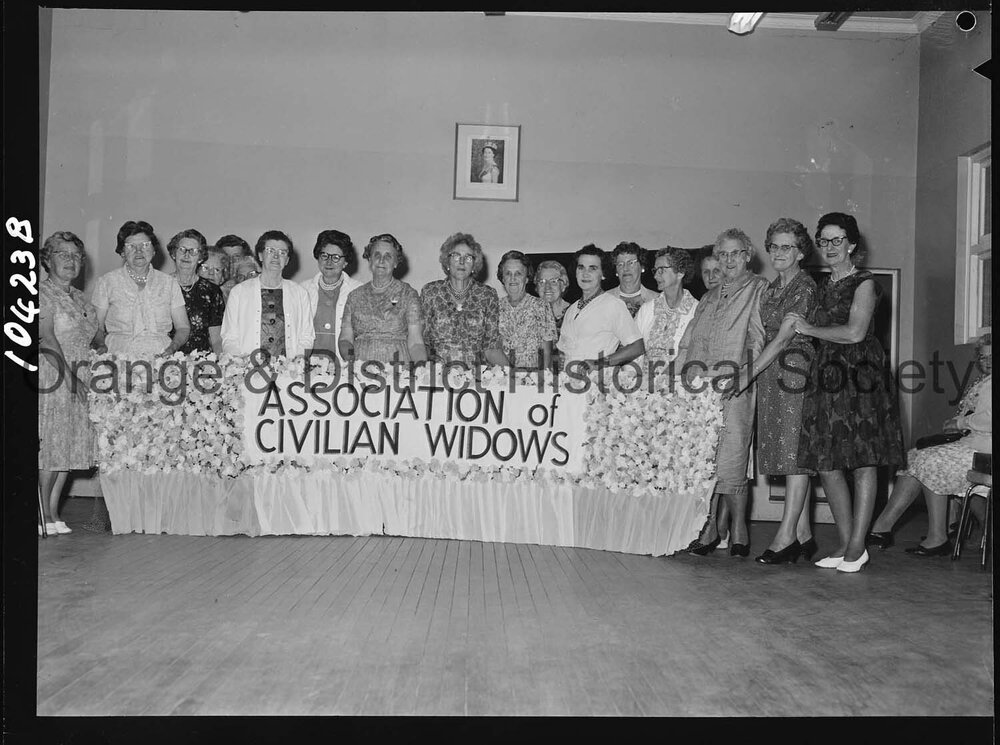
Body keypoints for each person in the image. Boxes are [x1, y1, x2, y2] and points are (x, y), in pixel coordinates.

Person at [791, 212, 905, 573]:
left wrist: (808, 328)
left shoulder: (865, 283)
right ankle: (844, 543)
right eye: (823, 241)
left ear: (852, 244)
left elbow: (855, 333)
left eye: (837, 240)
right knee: (827, 462)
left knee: (863, 461)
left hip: (860, 378)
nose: (830, 247)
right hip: (826, 378)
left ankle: (857, 547)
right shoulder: (822, 286)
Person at [728, 218, 819, 564]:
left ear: (800, 252)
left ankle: (785, 537)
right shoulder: (771, 288)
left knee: (795, 456)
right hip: (771, 374)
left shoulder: (804, 286)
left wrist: (748, 374)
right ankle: (803, 533)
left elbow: (783, 338)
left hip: (794, 371)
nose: (779, 253)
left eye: (787, 247)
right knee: (784, 450)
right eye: (775, 246)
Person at [675, 228, 767, 557]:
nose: (728, 260)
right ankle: (711, 527)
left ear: (747, 255)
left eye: (734, 253)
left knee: (732, 458)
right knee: (704, 461)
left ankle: (739, 527)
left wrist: (743, 375)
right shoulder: (709, 297)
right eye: (723, 254)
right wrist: (679, 378)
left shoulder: (758, 288)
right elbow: (688, 343)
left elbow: (758, 338)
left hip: (735, 385)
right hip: (699, 390)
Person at [868, 334, 991, 555]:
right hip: (974, 444)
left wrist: (960, 422)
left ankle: (937, 537)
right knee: (914, 455)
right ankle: (882, 526)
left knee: (929, 460)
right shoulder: (983, 382)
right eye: (983, 357)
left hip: (985, 451)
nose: (988, 361)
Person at [38, 231, 100, 535]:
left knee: (65, 450)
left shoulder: (80, 297)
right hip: (53, 376)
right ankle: (39, 513)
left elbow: (93, 340)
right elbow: (46, 340)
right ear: (47, 259)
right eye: (63, 254)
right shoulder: (40, 293)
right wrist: (70, 377)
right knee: (49, 447)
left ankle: (52, 511)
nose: (70, 261)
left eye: (76, 256)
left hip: (80, 377)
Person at [92, 220, 190, 358]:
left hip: (161, 356)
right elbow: (97, 327)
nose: (138, 251)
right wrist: (101, 345)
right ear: (122, 252)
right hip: (118, 355)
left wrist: (173, 347)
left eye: (145, 245)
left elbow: (183, 327)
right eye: (131, 246)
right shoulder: (106, 282)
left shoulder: (169, 283)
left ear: (154, 250)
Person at [221, 230, 314, 359]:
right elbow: (229, 336)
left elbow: (307, 335)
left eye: (282, 252)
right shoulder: (239, 292)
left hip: (289, 371)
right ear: (260, 255)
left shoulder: (300, 293)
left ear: (287, 260)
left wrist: (297, 361)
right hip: (248, 369)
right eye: (270, 251)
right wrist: (239, 363)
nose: (276, 256)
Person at [420, 233, 509, 367]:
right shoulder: (431, 292)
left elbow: (491, 346)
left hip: (476, 376)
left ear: (474, 265)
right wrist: (420, 370)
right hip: (437, 375)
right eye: (456, 256)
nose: (461, 262)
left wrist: (512, 374)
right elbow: (422, 342)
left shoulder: (487, 295)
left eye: (468, 257)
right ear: (447, 261)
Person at [339, 233, 426, 364]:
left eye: (388, 256)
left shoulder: (408, 294)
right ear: (369, 260)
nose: (381, 260)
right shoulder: (354, 296)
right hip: (360, 368)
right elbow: (345, 339)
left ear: (396, 262)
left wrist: (421, 368)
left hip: (398, 368)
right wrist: (352, 361)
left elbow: (415, 343)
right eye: (376, 255)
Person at [556, 244, 644, 369]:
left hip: (597, 382)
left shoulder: (613, 305)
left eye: (592, 268)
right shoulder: (571, 309)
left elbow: (637, 347)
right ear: (575, 272)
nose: (585, 274)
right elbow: (564, 350)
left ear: (603, 274)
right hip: (568, 382)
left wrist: (599, 363)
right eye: (581, 268)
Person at [300, 230, 362, 362]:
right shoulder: (302, 289)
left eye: (336, 257)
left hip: (342, 363)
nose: (329, 262)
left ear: (345, 262)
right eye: (324, 256)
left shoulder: (358, 291)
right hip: (307, 364)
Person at [635, 247, 698, 366]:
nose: (655, 276)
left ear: (680, 272)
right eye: (655, 270)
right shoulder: (647, 310)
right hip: (645, 380)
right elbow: (634, 350)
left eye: (662, 270)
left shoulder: (697, 311)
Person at [167, 229, 225, 354]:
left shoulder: (212, 291)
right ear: (173, 254)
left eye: (193, 251)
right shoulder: (161, 286)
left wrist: (222, 363)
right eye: (182, 250)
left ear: (200, 257)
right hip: (165, 357)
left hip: (201, 361)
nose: (187, 255)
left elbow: (215, 339)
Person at [497, 250, 557, 369]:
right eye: (508, 273)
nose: (513, 278)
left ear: (527, 278)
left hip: (533, 378)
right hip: (502, 378)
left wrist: (541, 378)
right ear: (502, 278)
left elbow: (547, 351)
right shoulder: (494, 308)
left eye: (518, 273)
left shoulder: (541, 306)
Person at [608, 242, 658, 317]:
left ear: (642, 267)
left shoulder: (657, 300)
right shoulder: (604, 299)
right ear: (616, 271)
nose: (625, 268)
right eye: (620, 264)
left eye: (631, 263)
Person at [535, 260, 571, 331]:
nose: (547, 287)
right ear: (537, 287)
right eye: (542, 282)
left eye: (553, 281)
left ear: (563, 285)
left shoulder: (573, 313)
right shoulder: (529, 313)